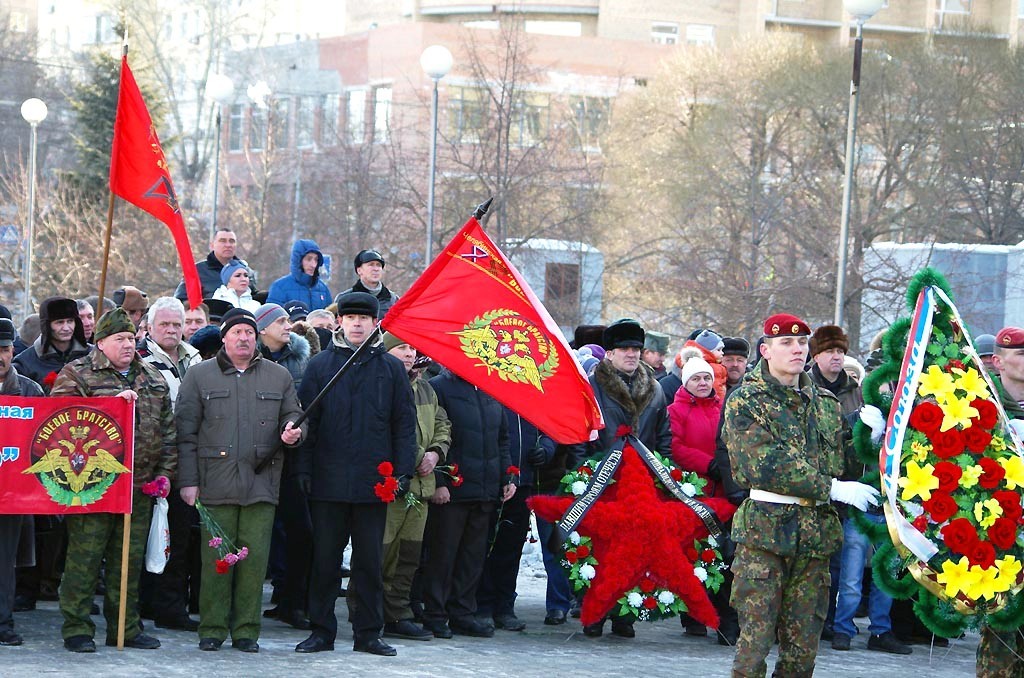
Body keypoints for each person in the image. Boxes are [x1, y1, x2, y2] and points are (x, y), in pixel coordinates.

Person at [722, 313, 881, 677]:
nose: (797, 349)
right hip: (765, 535)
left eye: (802, 342)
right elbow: (763, 464)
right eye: (786, 343)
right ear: (765, 350)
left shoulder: (824, 401)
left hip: (814, 539)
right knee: (754, 647)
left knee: (802, 652)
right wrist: (833, 488)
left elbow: (844, 463)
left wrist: (866, 439)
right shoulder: (746, 400)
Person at [293, 291, 416, 656]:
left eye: (365, 317)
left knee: (369, 564)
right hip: (328, 482)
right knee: (325, 561)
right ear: (340, 322)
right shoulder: (320, 366)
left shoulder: (391, 369)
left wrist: (402, 473)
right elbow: (306, 423)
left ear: (376, 322)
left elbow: (403, 427)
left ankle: (368, 633)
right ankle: (321, 631)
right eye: (351, 317)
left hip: (374, 484)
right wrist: (304, 469)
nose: (358, 323)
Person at [176, 308, 305, 653]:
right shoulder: (199, 376)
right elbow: (185, 433)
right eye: (237, 333)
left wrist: (294, 432)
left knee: (254, 561)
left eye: (249, 332)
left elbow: (294, 415)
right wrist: (188, 482)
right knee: (215, 560)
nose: (244, 338)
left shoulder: (278, 377)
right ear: (224, 338)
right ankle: (213, 628)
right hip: (213, 485)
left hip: (262, 483)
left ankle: (247, 630)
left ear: (257, 337)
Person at [51, 308, 177, 653]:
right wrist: (109, 405)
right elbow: (61, 423)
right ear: (100, 342)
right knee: (85, 559)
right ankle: (77, 627)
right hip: (91, 488)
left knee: (128, 562)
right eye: (119, 339)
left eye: (131, 337)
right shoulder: (77, 374)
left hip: (138, 488)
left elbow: (167, 431)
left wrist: (164, 474)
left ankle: (125, 626)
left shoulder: (152, 377)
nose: (128, 344)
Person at [806, 325, 911, 656]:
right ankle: (843, 627)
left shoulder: (881, 392)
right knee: (849, 571)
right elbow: (834, 439)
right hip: (852, 492)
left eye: (840, 351)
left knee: (885, 569)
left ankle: (881, 629)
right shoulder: (815, 388)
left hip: (889, 496)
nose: (836, 357)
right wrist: (859, 427)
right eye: (830, 351)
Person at [576, 318, 672, 639]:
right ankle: (594, 613)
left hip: (641, 483)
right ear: (609, 353)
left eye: (635, 349)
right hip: (602, 479)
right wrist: (582, 476)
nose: (631, 354)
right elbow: (581, 435)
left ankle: (624, 614)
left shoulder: (655, 389)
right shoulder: (592, 386)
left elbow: (663, 437)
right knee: (599, 550)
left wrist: (663, 476)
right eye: (624, 349)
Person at [422, 369, 514, 639]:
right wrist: (439, 481)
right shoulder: (439, 386)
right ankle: (435, 614)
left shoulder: (491, 385)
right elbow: (434, 438)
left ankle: (462, 613)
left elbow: (503, 438)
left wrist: (508, 475)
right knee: (442, 556)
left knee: (472, 559)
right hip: (453, 488)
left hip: (485, 489)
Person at [135, 297, 203, 633]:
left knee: (177, 536)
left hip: (187, 461)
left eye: (177, 324)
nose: (172, 330)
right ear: (149, 327)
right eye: (165, 324)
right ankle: (142, 603)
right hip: (149, 462)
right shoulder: (139, 360)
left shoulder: (196, 357)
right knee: (143, 537)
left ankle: (170, 605)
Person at [378, 333, 451, 642]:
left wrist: (435, 453)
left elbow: (442, 424)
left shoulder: (425, 388)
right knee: (382, 554)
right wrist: (419, 456)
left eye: (412, 348)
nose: (409, 354)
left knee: (409, 556)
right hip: (392, 487)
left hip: (420, 488)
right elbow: (383, 431)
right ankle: (368, 612)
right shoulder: (381, 385)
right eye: (401, 348)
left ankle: (398, 613)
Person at [252, 303, 314, 630]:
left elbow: (303, 409)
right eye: (280, 321)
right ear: (262, 329)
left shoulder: (300, 360)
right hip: (255, 459)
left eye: (288, 320)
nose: (288, 325)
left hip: (290, 458)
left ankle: (292, 600)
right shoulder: (249, 359)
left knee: (300, 532)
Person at [668, 355, 738, 643]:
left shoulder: (723, 407)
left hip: (723, 492)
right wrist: (707, 465)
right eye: (696, 378)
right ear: (686, 382)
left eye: (706, 378)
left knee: (722, 555)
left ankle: (723, 617)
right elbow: (674, 446)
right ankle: (694, 615)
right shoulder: (675, 410)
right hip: (693, 491)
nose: (702, 383)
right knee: (693, 555)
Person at [976, 326, 1024, 676]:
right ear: (998, 361)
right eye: (1021, 355)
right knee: (1000, 647)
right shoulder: (981, 409)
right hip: (999, 541)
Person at [0, 318, 44, 647]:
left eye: (3, 349)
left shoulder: (30, 391)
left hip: (12, 494)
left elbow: (46, 440)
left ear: (12, 350)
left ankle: (3, 621)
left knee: (4, 562)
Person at [13, 296, 90, 393]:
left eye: (70, 321)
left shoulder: (92, 355)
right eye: (59, 322)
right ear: (47, 326)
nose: (66, 328)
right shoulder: (25, 363)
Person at [175, 229, 255, 301]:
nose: (228, 245)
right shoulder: (197, 271)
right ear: (212, 245)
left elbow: (254, 297)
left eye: (232, 241)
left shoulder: (246, 271)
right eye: (223, 241)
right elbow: (181, 300)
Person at [267, 240, 332, 311]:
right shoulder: (280, 287)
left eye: (316, 260)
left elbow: (330, 317)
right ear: (298, 260)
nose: (313, 265)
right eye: (308, 259)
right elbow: (273, 319)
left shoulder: (323, 289)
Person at [335, 249, 400, 321]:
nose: (376, 269)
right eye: (371, 265)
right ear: (359, 270)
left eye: (378, 265)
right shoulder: (345, 298)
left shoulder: (393, 300)